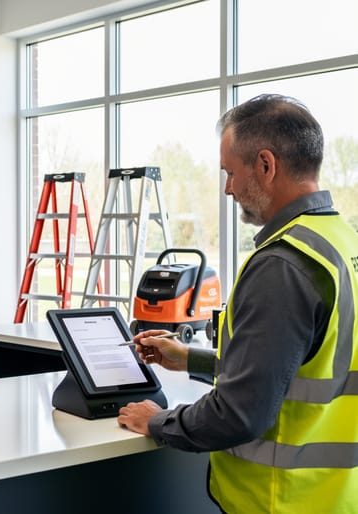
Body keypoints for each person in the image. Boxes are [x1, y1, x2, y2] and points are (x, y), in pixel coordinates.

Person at [117, 94, 358, 512]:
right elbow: (301, 367)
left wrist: (156, 421)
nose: (228, 188)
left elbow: (239, 413)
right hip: (334, 497)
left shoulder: (283, 264)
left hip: (279, 500)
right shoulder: (342, 243)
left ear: (265, 165)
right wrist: (191, 359)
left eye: (230, 172)